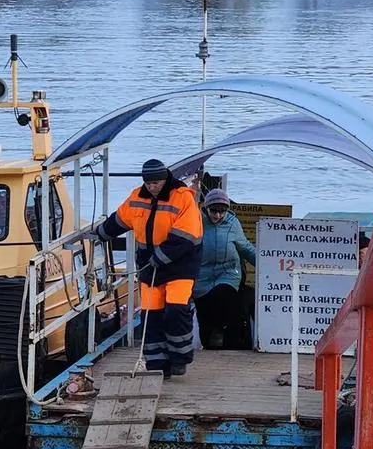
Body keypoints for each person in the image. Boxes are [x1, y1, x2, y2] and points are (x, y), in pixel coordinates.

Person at [93, 158, 203, 379]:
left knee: (176, 310)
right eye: (148, 183)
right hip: (149, 268)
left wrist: (160, 257)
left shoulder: (183, 198)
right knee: (150, 316)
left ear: (165, 179)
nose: (152, 187)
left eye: (156, 182)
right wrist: (100, 233)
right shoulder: (137, 197)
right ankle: (157, 363)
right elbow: (120, 219)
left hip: (180, 266)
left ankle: (179, 358)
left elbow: (186, 237)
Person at [194, 188, 255, 350]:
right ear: (206, 208)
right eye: (214, 210)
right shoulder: (195, 221)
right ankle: (210, 341)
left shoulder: (232, 223)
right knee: (204, 315)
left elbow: (245, 248)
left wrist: (266, 264)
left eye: (222, 211)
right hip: (202, 275)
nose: (218, 215)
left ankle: (232, 343)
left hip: (228, 272)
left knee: (224, 295)